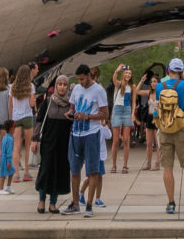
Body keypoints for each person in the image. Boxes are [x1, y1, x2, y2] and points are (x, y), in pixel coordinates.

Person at [154, 58, 184, 215]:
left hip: (165, 128)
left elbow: (158, 103)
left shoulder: (160, 86)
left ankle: (171, 203)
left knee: (168, 167)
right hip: (180, 127)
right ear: (181, 71)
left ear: (168, 70)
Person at [69, 63, 108, 215]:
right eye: (78, 79)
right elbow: (72, 107)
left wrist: (88, 116)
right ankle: (75, 203)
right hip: (76, 133)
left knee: (92, 170)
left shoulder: (99, 90)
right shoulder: (76, 89)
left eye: (82, 79)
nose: (80, 82)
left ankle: (89, 205)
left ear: (89, 76)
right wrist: (70, 113)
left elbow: (105, 114)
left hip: (91, 133)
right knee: (74, 170)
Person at [33, 76, 75, 214]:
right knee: (46, 170)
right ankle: (41, 200)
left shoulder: (70, 105)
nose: (62, 87)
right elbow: (39, 121)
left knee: (59, 171)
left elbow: (73, 125)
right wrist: (34, 140)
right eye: (60, 84)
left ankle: (53, 203)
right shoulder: (48, 101)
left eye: (64, 84)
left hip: (63, 144)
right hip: (48, 142)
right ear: (56, 86)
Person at [108, 65, 136, 174]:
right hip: (117, 110)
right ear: (123, 74)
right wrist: (117, 70)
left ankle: (125, 165)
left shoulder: (132, 86)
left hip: (127, 110)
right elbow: (114, 79)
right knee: (115, 141)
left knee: (126, 140)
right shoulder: (119, 84)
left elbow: (133, 102)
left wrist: (133, 114)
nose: (128, 74)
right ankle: (114, 165)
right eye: (126, 73)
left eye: (130, 73)